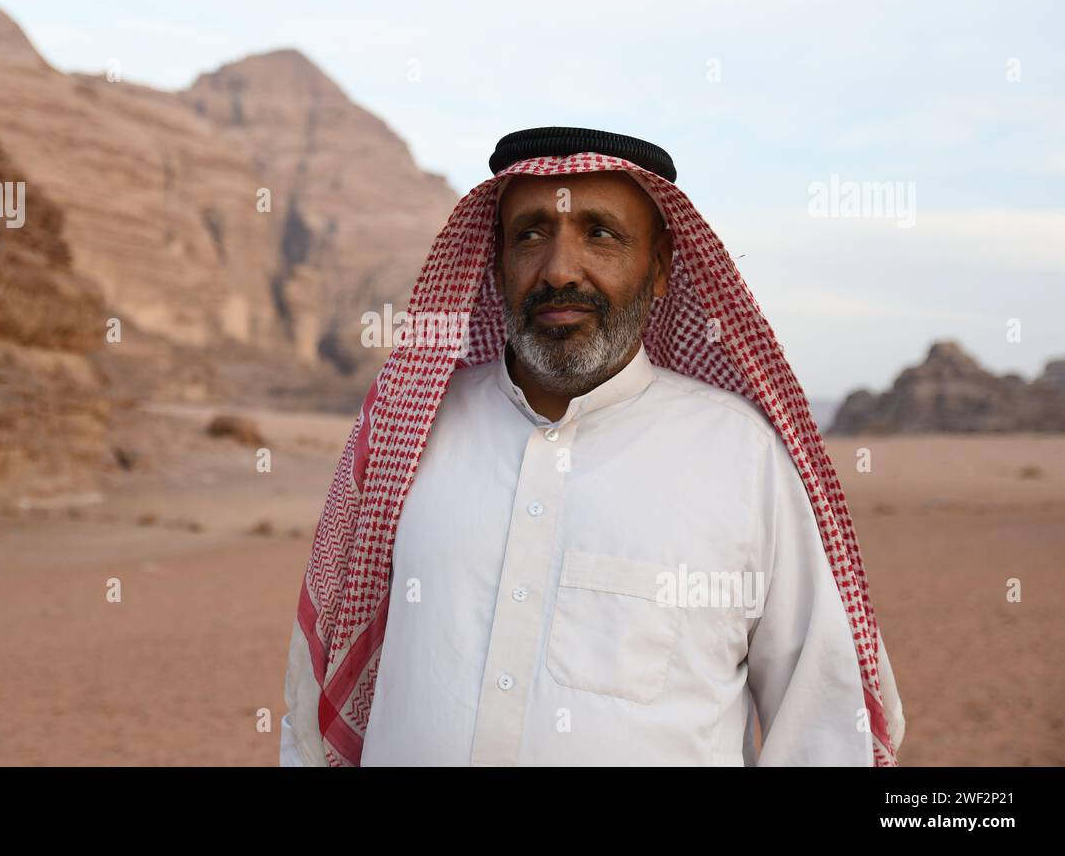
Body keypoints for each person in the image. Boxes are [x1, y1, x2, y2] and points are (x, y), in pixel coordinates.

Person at [280, 126, 905, 766]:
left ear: (660, 267)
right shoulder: (404, 435)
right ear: (496, 262)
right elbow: (316, 688)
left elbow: (825, 722)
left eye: (601, 234)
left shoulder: (743, 458)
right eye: (529, 235)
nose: (559, 269)